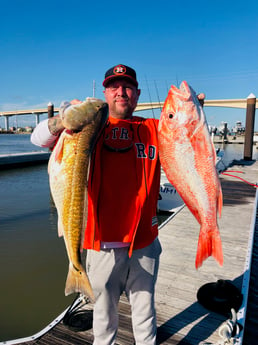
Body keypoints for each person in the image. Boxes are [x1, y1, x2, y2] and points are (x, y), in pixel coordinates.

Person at [31, 64, 204, 345]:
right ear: (105, 93)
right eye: (114, 87)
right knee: (103, 312)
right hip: (101, 243)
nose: (121, 92)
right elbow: (38, 139)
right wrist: (64, 120)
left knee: (145, 309)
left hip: (144, 240)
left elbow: (186, 146)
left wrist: (194, 112)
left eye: (127, 87)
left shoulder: (153, 129)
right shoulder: (88, 129)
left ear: (137, 94)